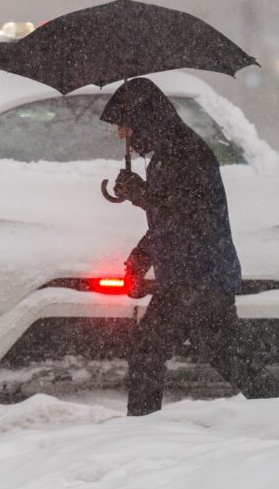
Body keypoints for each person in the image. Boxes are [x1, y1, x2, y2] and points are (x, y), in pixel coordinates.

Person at [100, 78, 260, 416]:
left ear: (143, 120)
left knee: (151, 351)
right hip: (193, 275)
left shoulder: (186, 153)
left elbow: (185, 214)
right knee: (224, 354)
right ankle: (278, 408)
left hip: (198, 276)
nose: (120, 134)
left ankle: (141, 427)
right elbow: (168, 219)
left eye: (123, 125)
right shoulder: (169, 152)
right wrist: (139, 258)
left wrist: (138, 193)